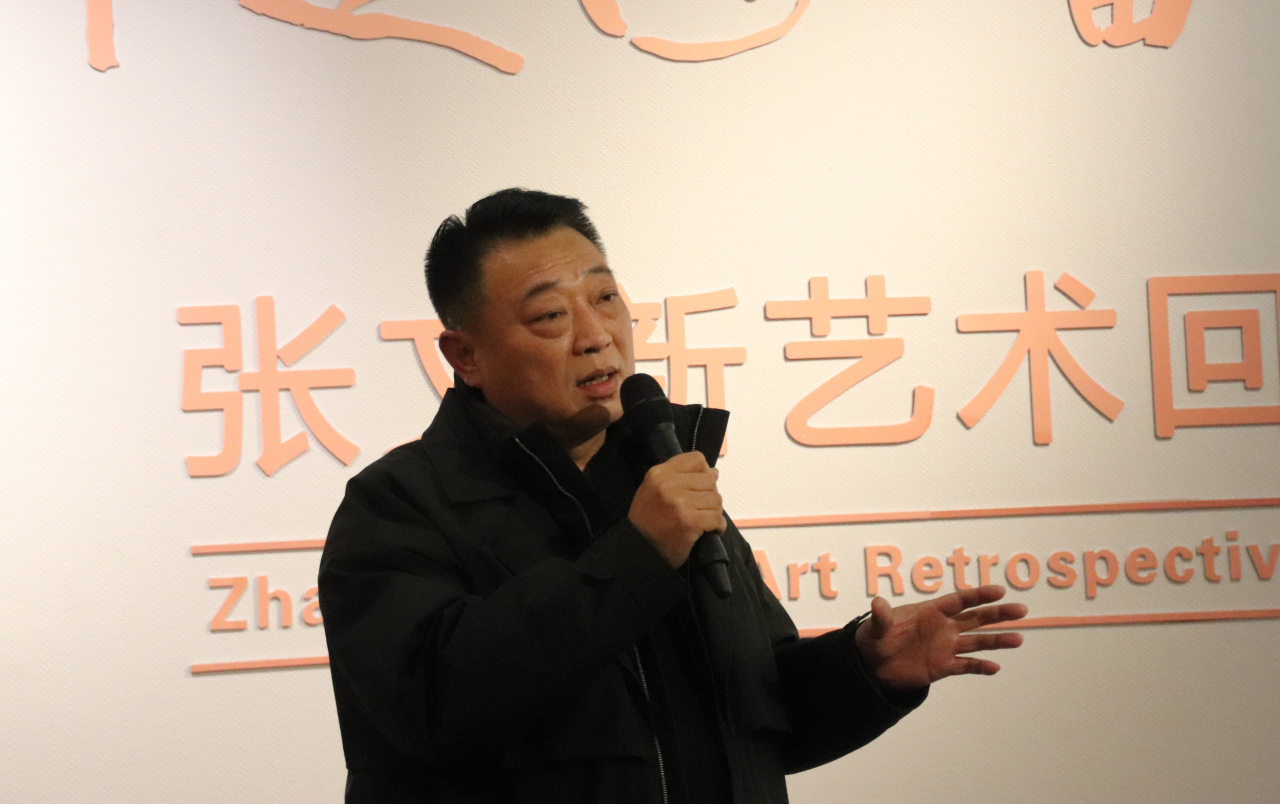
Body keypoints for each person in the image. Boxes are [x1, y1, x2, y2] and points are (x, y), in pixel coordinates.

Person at [319, 188, 1027, 803]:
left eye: (605, 299)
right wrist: (637, 555)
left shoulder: (660, 476)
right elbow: (434, 705)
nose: (597, 337)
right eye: (551, 317)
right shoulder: (399, 506)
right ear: (465, 355)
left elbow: (756, 718)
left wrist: (864, 669)